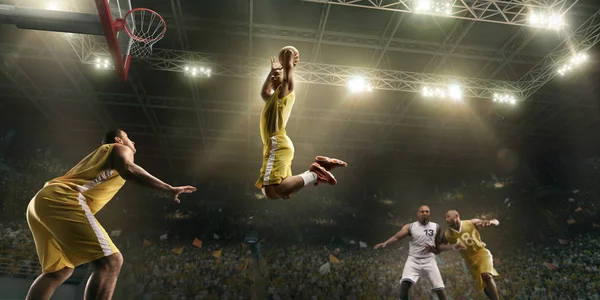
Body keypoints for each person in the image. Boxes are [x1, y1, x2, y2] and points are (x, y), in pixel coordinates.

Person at [25, 129, 197, 300]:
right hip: (64, 199)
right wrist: (168, 188)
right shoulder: (118, 148)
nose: (133, 142)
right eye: (129, 138)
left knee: (58, 271)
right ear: (118, 140)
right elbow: (129, 169)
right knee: (111, 261)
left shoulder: (102, 157)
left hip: (40, 202)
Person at [255, 46, 346, 199]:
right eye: (272, 76)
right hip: (276, 144)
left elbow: (287, 74)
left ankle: (315, 173)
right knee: (283, 192)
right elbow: (264, 92)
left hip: (276, 142)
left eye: (277, 75)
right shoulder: (271, 99)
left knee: (272, 190)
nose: (273, 77)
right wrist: (271, 72)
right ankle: (317, 169)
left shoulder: (285, 92)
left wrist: (288, 56)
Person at [374, 206, 453, 300]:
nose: (425, 213)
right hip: (413, 259)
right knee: (404, 285)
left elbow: (438, 249)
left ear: (429, 213)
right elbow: (397, 237)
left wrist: (434, 249)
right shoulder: (410, 226)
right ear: (418, 214)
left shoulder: (436, 226)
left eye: (427, 211)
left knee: (440, 288)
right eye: (422, 211)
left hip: (429, 260)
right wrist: (386, 243)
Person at [429, 210, 501, 300]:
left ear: (456, 216)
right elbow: (439, 247)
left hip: (481, 253)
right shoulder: (447, 234)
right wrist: (451, 246)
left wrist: (490, 222)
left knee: (486, 276)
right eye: (445, 218)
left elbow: (496, 222)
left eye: (448, 217)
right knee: (483, 284)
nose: (446, 219)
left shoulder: (471, 222)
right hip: (469, 261)